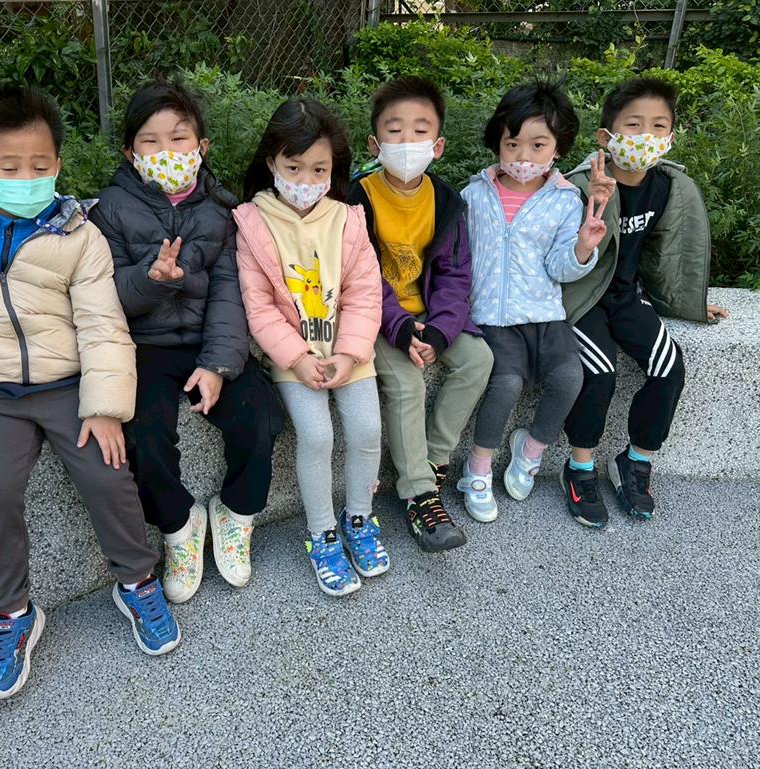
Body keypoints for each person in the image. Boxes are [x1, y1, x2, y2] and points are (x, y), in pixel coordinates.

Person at [0, 84, 179, 702]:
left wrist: (105, 408)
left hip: (69, 384)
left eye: (40, 165)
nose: (27, 178)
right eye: (9, 167)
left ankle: (136, 580)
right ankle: (11, 613)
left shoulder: (78, 234)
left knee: (107, 473)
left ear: (58, 163)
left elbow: (102, 323)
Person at [90, 80, 284, 602]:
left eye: (179, 138)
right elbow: (106, 295)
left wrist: (218, 365)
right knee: (142, 435)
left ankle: (237, 512)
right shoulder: (108, 210)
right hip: (145, 346)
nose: (168, 152)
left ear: (202, 146)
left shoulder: (222, 209)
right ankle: (180, 525)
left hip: (210, 339)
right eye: (151, 142)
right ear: (131, 153)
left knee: (260, 416)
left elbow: (231, 290)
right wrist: (152, 279)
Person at [561, 77, 730, 528]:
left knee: (669, 367)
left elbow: (664, 257)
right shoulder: (580, 186)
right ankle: (579, 466)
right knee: (600, 372)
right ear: (606, 137)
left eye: (658, 126)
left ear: (671, 136)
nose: (646, 136)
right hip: (582, 300)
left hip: (625, 298)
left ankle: (635, 461)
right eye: (633, 125)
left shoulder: (666, 186)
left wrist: (687, 303)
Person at [235, 99, 386, 596]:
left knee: (367, 429)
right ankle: (321, 533)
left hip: (349, 349)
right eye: (293, 166)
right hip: (292, 357)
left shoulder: (348, 219)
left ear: (333, 168)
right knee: (317, 436)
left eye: (318, 169)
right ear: (272, 163)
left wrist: (349, 353)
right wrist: (297, 359)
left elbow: (364, 293)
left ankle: (359, 518)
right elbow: (259, 306)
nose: (305, 179)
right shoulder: (253, 222)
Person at [348, 76, 492, 553]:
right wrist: (403, 327)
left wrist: (442, 332)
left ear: (438, 145)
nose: (407, 141)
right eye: (394, 130)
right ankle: (418, 496)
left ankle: (432, 460)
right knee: (407, 383)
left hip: (431, 314)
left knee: (479, 360)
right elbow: (360, 276)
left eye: (420, 130)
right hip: (378, 319)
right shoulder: (357, 198)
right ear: (374, 144)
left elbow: (454, 274)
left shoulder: (446, 200)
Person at [459, 81, 613, 522]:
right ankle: (477, 467)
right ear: (498, 143)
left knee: (569, 377)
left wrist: (583, 246)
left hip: (545, 314)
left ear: (558, 148)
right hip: (492, 317)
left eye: (537, 144)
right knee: (505, 384)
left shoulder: (565, 200)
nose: (523, 155)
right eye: (512, 143)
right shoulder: (474, 195)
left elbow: (561, 267)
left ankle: (530, 449)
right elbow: (459, 258)